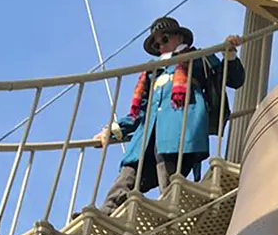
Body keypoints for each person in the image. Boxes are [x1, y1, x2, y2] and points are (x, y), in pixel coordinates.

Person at [92, 16, 246, 214]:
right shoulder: (153, 72)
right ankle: (107, 213)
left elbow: (232, 79)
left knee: (168, 170)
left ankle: (169, 212)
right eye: (157, 44)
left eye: (164, 39)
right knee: (129, 171)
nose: (160, 46)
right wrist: (112, 130)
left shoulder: (198, 57)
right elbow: (138, 111)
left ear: (179, 37)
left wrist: (230, 54)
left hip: (179, 128)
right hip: (149, 133)